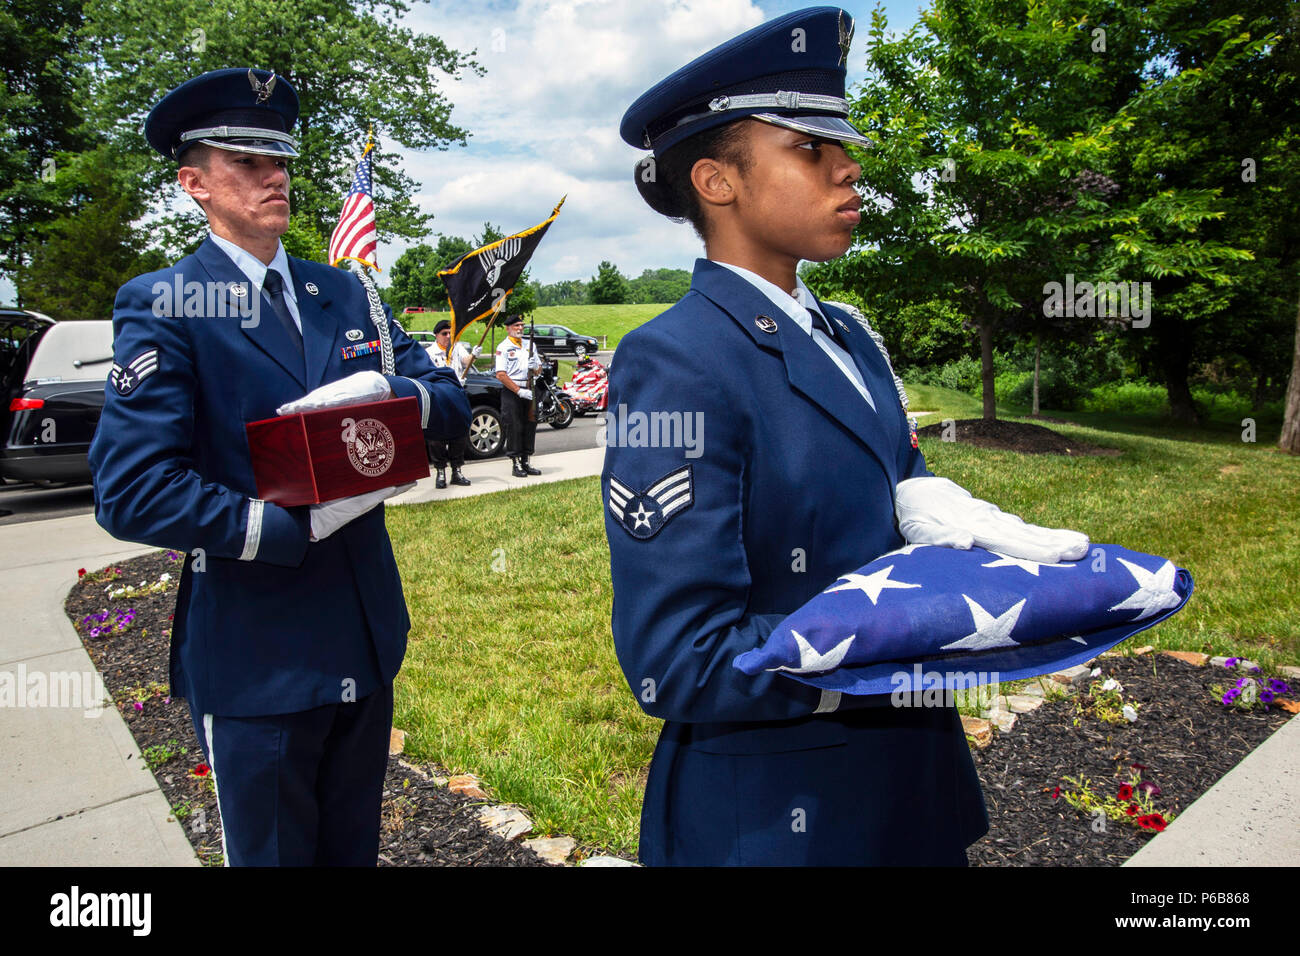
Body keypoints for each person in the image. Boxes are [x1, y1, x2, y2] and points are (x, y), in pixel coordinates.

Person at [605, 7, 1088, 865]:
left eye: (841, 144)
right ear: (718, 182)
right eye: (809, 148)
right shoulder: (674, 360)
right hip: (786, 814)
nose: (848, 165)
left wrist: (937, 515)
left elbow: (892, 483)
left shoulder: (849, 334)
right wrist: (897, 636)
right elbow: (678, 658)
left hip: (912, 789)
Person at [88, 68, 471, 866]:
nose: (276, 177)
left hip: (362, 633)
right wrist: (285, 528)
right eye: (247, 162)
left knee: (350, 854)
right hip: (256, 649)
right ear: (194, 183)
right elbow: (131, 489)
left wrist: (392, 389)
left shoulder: (347, 294)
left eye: (282, 161)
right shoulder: (167, 303)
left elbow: (451, 401)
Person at [425, 318, 477, 487]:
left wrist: (473, 355)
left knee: (459, 434)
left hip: (457, 396)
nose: (448, 337)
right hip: (438, 399)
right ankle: (440, 471)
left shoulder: (457, 348)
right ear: (436, 336)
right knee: (436, 437)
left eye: (450, 333)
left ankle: (457, 471)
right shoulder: (429, 353)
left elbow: (465, 361)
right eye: (444, 334)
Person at [494, 314, 543, 477]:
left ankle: (526, 460)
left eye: (521, 326)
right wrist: (518, 390)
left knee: (530, 425)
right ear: (508, 329)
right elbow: (500, 374)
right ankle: (515, 463)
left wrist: (535, 366)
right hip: (512, 390)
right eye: (516, 326)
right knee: (514, 426)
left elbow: (539, 369)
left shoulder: (530, 345)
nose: (520, 328)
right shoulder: (504, 347)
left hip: (529, 388)